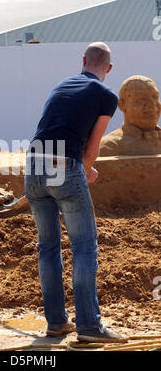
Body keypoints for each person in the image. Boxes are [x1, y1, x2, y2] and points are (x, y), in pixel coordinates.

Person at [24, 42, 128, 343]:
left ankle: (56, 322)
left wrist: (81, 167)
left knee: (48, 247)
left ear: (83, 61)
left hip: (33, 164)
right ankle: (89, 326)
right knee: (84, 246)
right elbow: (93, 145)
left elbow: (54, 130)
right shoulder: (106, 95)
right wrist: (84, 167)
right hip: (64, 166)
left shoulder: (60, 86)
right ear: (108, 68)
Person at [99, 75, 161, 156]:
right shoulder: (109, 146)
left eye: (155, 97)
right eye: (141, 99)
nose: (152, 104)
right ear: (122, 105)